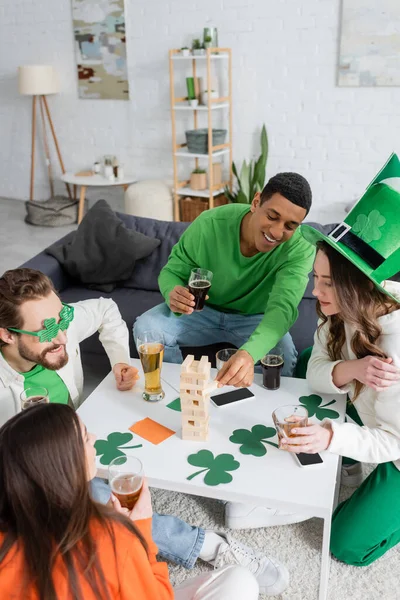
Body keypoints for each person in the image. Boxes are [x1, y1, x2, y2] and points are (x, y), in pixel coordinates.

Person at [0, 267, 288, 595]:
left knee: (130, 449)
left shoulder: (58, 325)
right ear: (7, 334)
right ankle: (208, 544)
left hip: (70, 449)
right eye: (47, 329)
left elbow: (105, 309)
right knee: (97, 496)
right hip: (22, 481)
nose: (63, 336)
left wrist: (122, 361)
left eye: (62, 318)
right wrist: (135, 528)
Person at [0, 403, 260, 600]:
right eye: (84, 437)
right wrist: (140, 534)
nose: (94, 439)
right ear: (64, 467)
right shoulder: (110, 540)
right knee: (240, 581)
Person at [283, 158, 400, 566]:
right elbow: (314, 366)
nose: (315, 291)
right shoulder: (343, 316)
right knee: (302, 364)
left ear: (356, 286)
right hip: (374, 418)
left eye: (327, 283)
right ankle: (348, 464)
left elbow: (394, 438)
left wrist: (332, 436)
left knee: (346, 545)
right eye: (316, 278)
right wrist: (351, 369)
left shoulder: (396, 347)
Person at [134, 172, 315, 391]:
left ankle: (247, 411)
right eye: (272, 216)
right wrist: (172, 290)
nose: (277, 232)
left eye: (290, 226)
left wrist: (249, 354)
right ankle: (177, 395)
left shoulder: (300, 248)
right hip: (201, 313)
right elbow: (172, 271)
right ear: (256, 202)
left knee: (281, 356)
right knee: (147, 329)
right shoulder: (210, 224)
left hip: (254, 318)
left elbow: (282, 310)